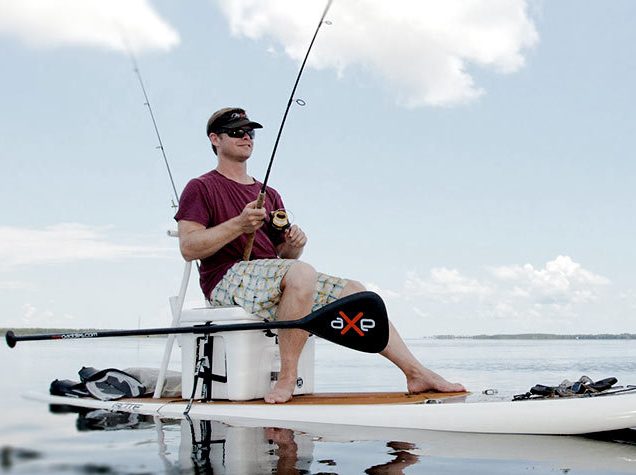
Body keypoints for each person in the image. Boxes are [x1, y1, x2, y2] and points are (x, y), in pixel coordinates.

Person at [174, 107, 464, 403]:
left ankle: (416, 372)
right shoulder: (201, 187)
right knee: (302, 273)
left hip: (267, 277)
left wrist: (294, 245)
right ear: (215, 139)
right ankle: (287, 378)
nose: (246, 137)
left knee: (356, 293)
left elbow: (283, 256)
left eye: (250, 132)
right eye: (236, 132)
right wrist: (239, 223)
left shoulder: (269, 193)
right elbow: (189, 247)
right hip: (225, 279)